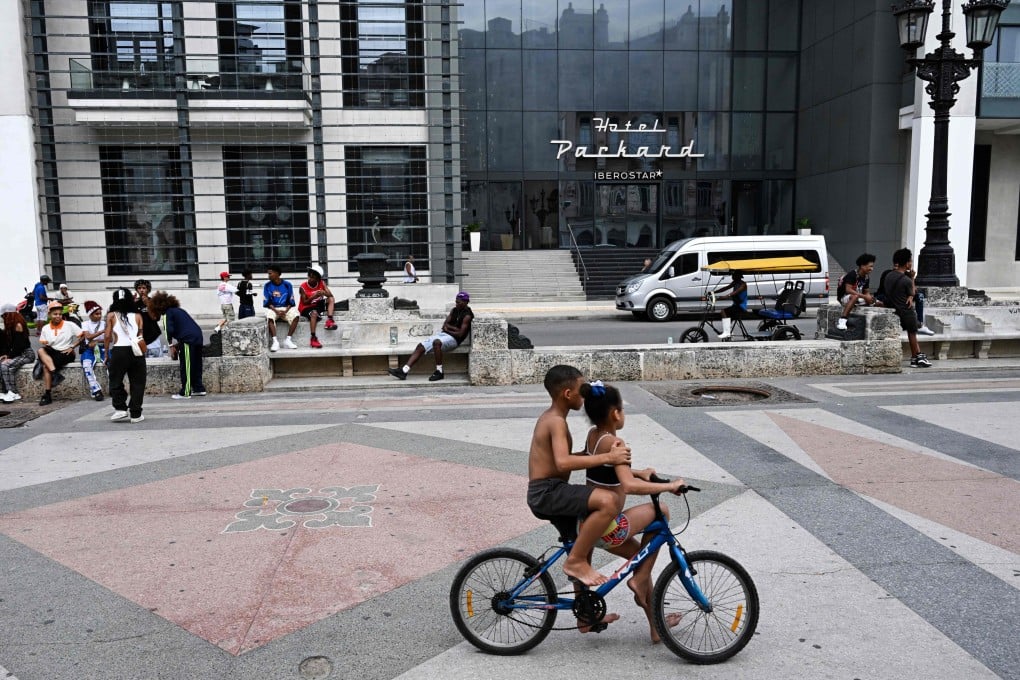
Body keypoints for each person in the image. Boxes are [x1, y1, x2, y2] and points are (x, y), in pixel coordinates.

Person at [578, 380, 687, 642]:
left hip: (592, 526)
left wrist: (640, 472)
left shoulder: (594, 436)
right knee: (661, 509)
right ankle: (640, 581)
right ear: (616, 413)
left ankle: (656, 627)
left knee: (642, 557)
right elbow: (627, 484)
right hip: (609, 528)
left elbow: (608, 471)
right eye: (623, 409)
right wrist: (671, 485)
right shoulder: (616, 442)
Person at [526, 365, 631, 588]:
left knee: (583, 541)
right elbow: (563, 462)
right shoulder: (555, 421)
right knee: (607, 500)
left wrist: (600, 456)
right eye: (580, 390)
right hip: (547, 492)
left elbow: (566, 459)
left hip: (550, 490)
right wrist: (610, 457)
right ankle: (575, 562)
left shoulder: (553, 418)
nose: (584, 397)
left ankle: (586, 619)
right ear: (567, 394)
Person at [387, 291, 473, 382]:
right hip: (444, 335)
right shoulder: (454, 310)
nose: (456, 304)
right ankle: (404, 371)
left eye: (459, 302)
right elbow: (445, 325)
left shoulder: (467, 315)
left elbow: (460, 334)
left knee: (436, 342)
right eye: (456, 301)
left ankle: (439, 371)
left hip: (454, 340)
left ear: (466, 302)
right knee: (421, 346)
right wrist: (452, 329)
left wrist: (448, 329)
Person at [147, 291, 207, 399]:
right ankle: (199, 388)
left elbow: (168, 330)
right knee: (196, 364)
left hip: (188, 340)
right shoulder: (179, 310)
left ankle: (186, 392)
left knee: (186, 366)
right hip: (197, 337)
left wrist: (171, 346)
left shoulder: (167, 314)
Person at [883, 248, 932, 368]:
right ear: (907, 263)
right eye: (910, 261)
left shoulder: (888, 275)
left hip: (891, 306)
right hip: (905, 310)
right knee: (912, 332)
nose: (911, 263)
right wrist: (912, 278)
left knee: (912, 331)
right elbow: (914, 292)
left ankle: (916, 357)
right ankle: (917, 356)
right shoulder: (906, 279)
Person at [104, 288, 147, 422]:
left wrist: (106, 353)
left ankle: (120, 409)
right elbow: (140, 336)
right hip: (136, 352)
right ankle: (135, 414)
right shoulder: (138, 316)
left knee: (115, 380)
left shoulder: (111, 315)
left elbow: (107, 336)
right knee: (138, 383)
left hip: (119, 351)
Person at [37, 300, 84, 406]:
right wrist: (48, 353)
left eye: (60, 314)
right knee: (40, 350)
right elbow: (46, 345)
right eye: (55, 314)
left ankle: (47, 394)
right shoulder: (45, 328)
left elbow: (82, 335)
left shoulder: (69, 325)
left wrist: (72, 346)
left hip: (66, 352)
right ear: (49, 315)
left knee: (45, 367)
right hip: (53, 351)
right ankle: (55, 374)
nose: (58, 316)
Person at [836, 253, 879, 330]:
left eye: (872, 266)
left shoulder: (866, 277)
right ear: (862, 266)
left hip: (857, 297)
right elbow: (848, 290)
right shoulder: (852, 274)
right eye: (870, 266)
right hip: (845, 297)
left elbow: (866, 292)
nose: (872, 269)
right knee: (854, 297)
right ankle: (842, 320)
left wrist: (869, 298)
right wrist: (865, 297)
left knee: (878, 302)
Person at [298, 264, 337, 348]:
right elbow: (304, 302)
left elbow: (330, 294)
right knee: (314, 313)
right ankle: (313, 338)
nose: (310, 278)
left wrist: (324, 293)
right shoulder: (303, 287)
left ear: (318, 279)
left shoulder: (322, 283)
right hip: (306, 307)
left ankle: (330, 320)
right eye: (309, 276)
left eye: (313, 277)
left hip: (317, 305)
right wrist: (313, 296)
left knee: (331, 299)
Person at [0, 304, 34, 402]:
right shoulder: (11, 326)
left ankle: (12, 392)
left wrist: (10, 357)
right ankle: (9, 392)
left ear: (9, 315)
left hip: (26, 354)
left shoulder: (18, 325)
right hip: (18, 354)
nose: (3, 318)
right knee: (7, 368)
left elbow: (19, 345)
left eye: (4, 316)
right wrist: (6, 355)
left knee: (4, 365)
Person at [264, 264, 299, 352]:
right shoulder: (267, 285)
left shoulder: (287, 284)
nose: (269, 276)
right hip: (273, 308)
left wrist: (285, 311)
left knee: (296, 316)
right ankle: (275, 342)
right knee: (269, 317)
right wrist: (276, 311)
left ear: (277, 273)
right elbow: (267, 302)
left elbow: (291, 301)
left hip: (285, 308)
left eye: (270, 273)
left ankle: (288, 340)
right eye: (268, 274)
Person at [79, 300, 106, 401]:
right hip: (89, 349)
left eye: (100, 313)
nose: (99, 316)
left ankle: (114, 388)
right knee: (86, 365)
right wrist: (101, 332)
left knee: (112, 364)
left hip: (103, 348)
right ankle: (96, 390)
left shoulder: (104, 323)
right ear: (90, 314)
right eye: (96, 314)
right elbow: (88, 336)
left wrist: (97, 340)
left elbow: (110, 339)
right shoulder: (85, 324)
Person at [134, 279, 165, 358]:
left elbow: (155, 318)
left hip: (153, 339)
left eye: (144, 288)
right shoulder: (134, 303)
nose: (141, 290)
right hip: (140, 339)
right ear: (137, 290)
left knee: (156, 362)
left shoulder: (153, 302)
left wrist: (147, 304)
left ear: (148, 289)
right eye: (139, 288)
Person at [715, 272, 748, 339]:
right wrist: (714, 292)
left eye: (733, 275)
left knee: (723, 311)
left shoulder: (743, 284)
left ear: (737, 276)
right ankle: (728, 332)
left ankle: (727, 332)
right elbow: (725, 288)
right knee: (727, 316)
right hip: (735, 305)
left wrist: (726, 296)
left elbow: (735, 292)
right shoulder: (735, 283)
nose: (732, 277)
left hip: (741, 306)